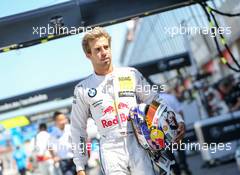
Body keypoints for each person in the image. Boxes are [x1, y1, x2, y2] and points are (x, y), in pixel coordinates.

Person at [70, 27, 185, 175]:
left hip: (139, 142)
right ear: (88, 54)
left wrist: (178, 119)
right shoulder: (82, 89)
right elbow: (77, 128)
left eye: (106, 47)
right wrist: (80, 165)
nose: (104, 52)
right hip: (110, 147)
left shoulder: (131, 74)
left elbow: (154, 100)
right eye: (97, 49)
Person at [160, 90, 192, 175]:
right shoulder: (171, 97)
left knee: (169, 153)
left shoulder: (155, 100)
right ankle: (184, 167)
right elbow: (180, 111)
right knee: (180, 149)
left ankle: (176, 170)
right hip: (176, 127)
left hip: (164, 130)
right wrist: (183, 123)